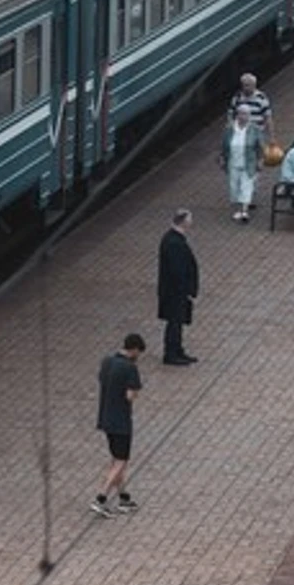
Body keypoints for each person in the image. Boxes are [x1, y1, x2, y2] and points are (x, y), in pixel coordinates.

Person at [93, 333, 145, 516]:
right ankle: (102, 497)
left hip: (105, 416)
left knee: (116, 458)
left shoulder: (107, 362)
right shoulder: (129, 368)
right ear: (135, 350)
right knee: (122, 460)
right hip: (121, 420)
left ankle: (124, 497)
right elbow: (130, 395)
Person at [156, 210, 199, 365]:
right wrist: (186, 288)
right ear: (184, 222)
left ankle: (177, 349)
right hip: (174, 291)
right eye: (190, 219)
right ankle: (171, 353)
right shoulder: (174, 243)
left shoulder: (174, 239)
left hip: (174, 290)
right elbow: (177, 270)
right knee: (174, 322)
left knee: (177, 322)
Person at [220, 106, 264, 223]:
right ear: (237, 115)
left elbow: (260, 147)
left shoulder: (255, 129)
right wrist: (222, 158)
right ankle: (237, 209)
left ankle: (244, 211)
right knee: (234, 187)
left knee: (246, 186)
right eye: (241, 114)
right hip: (233, 162)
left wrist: (260, 161)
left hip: (249, 163)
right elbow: (224, 146)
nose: (244, 117)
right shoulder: (229, 129)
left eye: (246, 114)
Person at [228, 73, 273, 144]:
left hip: (257, 134)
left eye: (248, 85)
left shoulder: (261, 98)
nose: (245, 88)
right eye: (244, 85)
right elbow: (231, 115)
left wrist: (271, 138)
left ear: (254, 85)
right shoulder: (237, 98)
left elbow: (267, 118)